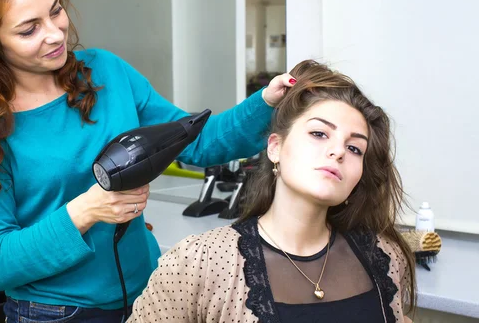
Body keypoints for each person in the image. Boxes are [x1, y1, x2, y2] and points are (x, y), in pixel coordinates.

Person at [0, 0, 296, 323]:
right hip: (53, 313)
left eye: (55, 11)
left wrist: (267, 101)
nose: (55, 34)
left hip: (151, 297)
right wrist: (86, 211)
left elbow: (197, 139)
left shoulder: (105, 73)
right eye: (29, 29)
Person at [129, 60, 417, 323]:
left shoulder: (386, 256)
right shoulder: (199, 263)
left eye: (355, 148)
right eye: (319, 133)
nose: (338, 151)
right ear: (275, 147)